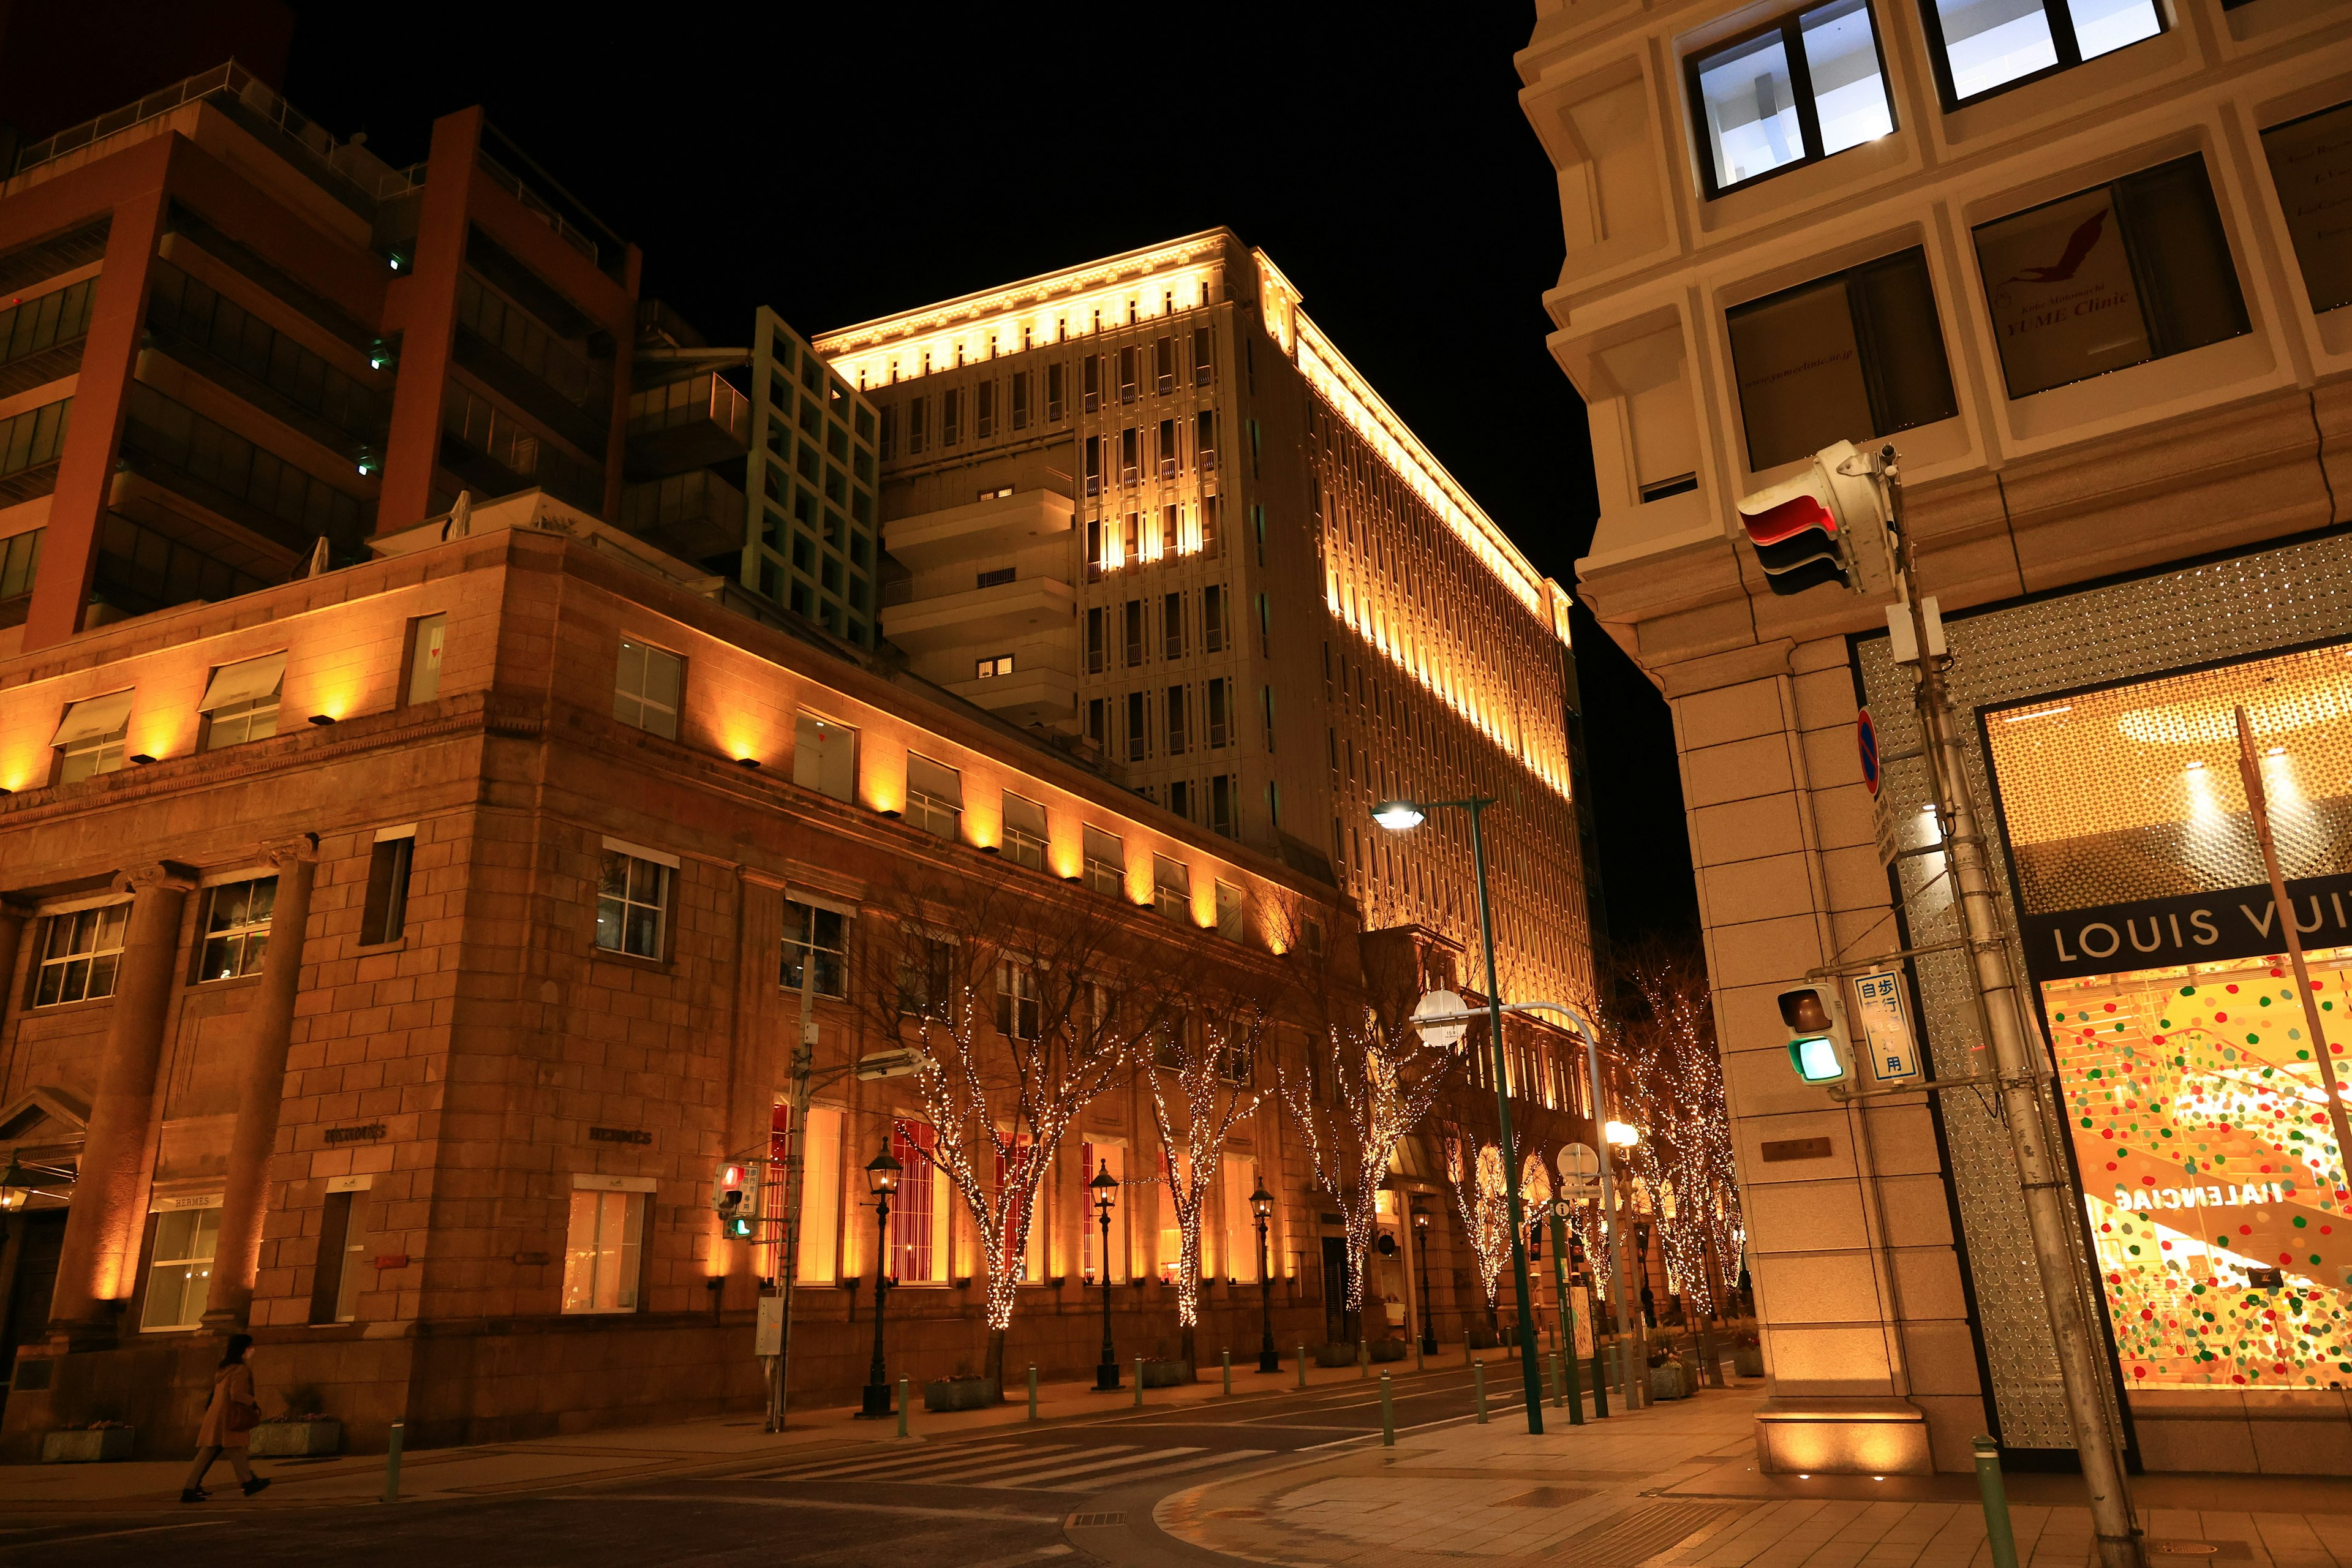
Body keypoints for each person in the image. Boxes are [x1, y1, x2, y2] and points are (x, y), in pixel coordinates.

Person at [181, 1335, 270, 1503]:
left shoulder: (224, 1368)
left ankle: (192, 1487)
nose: (252, 1350)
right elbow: (236, 1394)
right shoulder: (240, 1369)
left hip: (217, 1417)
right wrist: (253, 1402)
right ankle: (247, 1483)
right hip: (229, 1417)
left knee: (218, 1452)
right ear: (244, 1348)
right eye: (250, 1346)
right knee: (232, 1450)